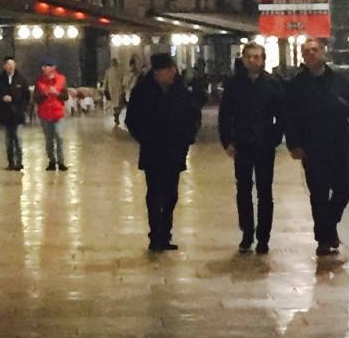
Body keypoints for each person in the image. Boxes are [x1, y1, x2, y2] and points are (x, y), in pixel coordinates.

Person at [283, 35, 349, 256]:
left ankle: (328, 226)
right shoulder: (297, 84)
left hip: (338, 143)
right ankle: (324, 239)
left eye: (315, 50)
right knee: (318, 193)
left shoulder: (338, 80)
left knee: (344, 188)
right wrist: (294, 143)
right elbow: (289, 116)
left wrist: (343, 107)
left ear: (323, 52)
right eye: (307, 51)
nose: (311, 54)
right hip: (311, 146)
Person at [124, 51, 199, 251]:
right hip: (153, 150)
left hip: (175, 150)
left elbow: (193, 117)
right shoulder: (143, 91)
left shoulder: (181, 91)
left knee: (171, 194)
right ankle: (155, 235)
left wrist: (187, 139)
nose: (172, 73)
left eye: (172, 69)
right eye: (167, 70)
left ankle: (166, 233)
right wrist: (146, 138)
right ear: (157, 72)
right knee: (154, 193)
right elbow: (132, 120)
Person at [217, 40, 284, 253]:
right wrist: (227, 141)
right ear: (244, 59)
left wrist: (275, 137)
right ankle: (247, 232)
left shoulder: (272, 84)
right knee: (243, 189)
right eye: (250, 57)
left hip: (265, 144)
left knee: (265, 191)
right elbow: (225, 115)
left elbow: (282, 114)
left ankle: (263, 237)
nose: (254, 60)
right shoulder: (234, 84)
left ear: (263, 59)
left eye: (257, 57)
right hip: (242, 144)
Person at [0, 55, 30, 170]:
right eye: (8, 65)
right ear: (4, 66)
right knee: (8, 140)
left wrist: (22, 108)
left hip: (18, 114)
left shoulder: (21, 80)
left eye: (12, 65)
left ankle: (19, 162)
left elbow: (26, 96)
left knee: (18, 138)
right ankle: (11, 162)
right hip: (5, 114)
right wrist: (2, 97)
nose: (10, 67)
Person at [34, 60, 69, 171]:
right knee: (49, 140)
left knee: (59, 137)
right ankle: (52, 161)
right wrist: (45, 94)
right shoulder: (39, 81)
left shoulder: (61, 79)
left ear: (53, 67)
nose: (43, 68)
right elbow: (36, 98)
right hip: (45, 114)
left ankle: (61, 162)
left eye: (46, 66)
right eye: (43, 66)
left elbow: (65, 96)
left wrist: (57, 93)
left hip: (58, 114)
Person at [101, 51, 128, 125]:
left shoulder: (120, 70)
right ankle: (116, 115)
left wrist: (123, 86)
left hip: (119, 88)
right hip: (112, 89)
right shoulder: (108, 71)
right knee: (115, 103)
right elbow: (106, 80)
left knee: (119, 103)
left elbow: (124, 79)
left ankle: (116, 114)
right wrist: (104, 89)